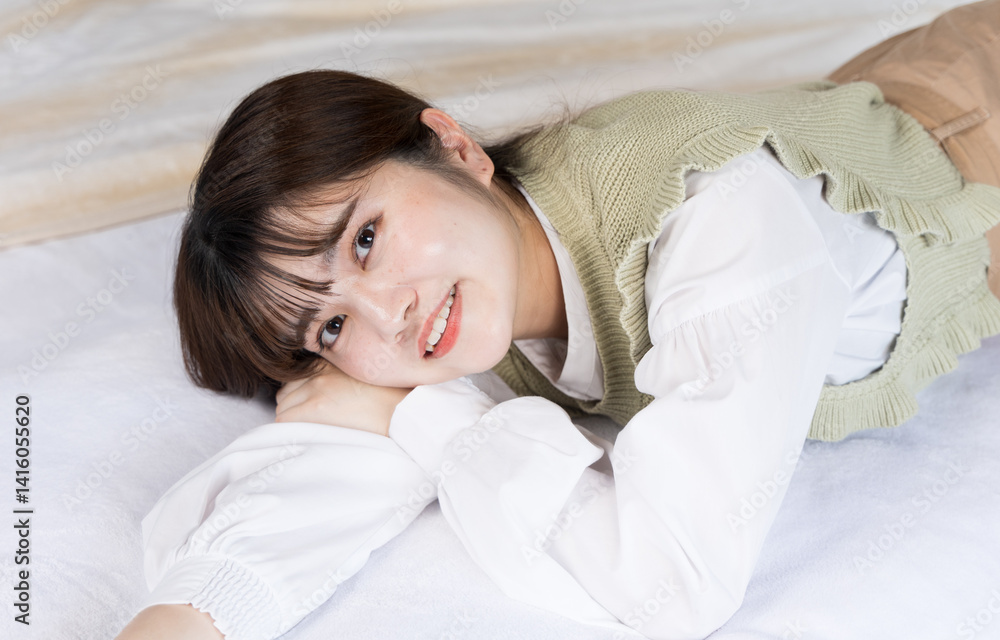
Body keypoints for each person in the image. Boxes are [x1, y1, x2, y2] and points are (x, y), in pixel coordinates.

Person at [115, 3, 1000, 639]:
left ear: (455, 146)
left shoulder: (715, 216)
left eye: (366, 238)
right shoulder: (454, 298)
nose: (387, 314)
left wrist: (434, 414)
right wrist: (185, 615)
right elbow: (316, 476)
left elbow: (675, 586)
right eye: (330, 328)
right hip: (883, 93)